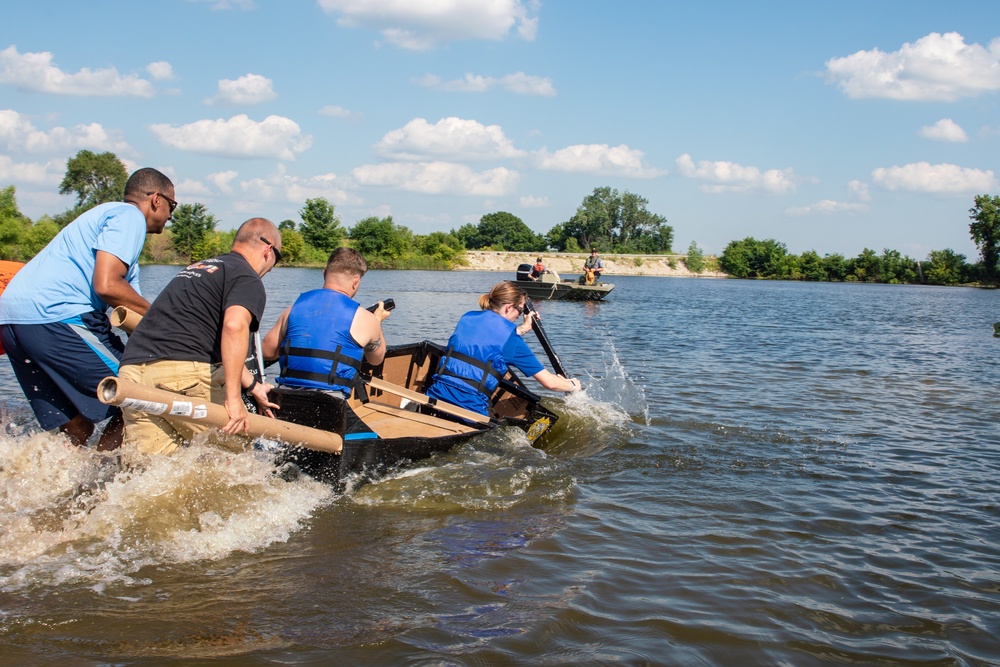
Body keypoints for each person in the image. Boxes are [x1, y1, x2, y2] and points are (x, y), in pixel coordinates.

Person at [0, 168, 176, 451]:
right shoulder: (129, 216)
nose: (170, 215)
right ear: (156, 199)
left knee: (77, 425)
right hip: (57, 316)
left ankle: (48, 485)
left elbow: (130, 313)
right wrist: (164, 319)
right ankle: (101, 484)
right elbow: (106, 285)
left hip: (13, 322)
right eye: (172, 205)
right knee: (141, 397)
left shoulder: (106, 222)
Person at [117, 218, 282, 455]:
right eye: (278, 258)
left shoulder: (199, 269)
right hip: (182, 375)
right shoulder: (246, 276)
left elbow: (203, 339)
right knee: (234, 460)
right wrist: (234, 399)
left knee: (152, 474)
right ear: (268, 249)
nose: (272, 267)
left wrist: (254, 386)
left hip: (133, 374)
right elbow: (234, 327)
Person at [426, 281, 582, 416]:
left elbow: (489, 336)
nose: (519, 315)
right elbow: (550, 383)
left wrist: (523, 328)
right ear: (508, 307)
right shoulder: (512, 341)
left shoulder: (467, 317)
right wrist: (573, 385)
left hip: (436, 395)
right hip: (470, 407)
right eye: (520, 311)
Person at [261, 247, 390, 399]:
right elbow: (376, 359)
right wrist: (377, 321)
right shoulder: (365, 318)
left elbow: (267, 352)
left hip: (285, 397)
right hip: (329, 404)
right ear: (355, 282)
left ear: (324, 274)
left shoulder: (292, 309)